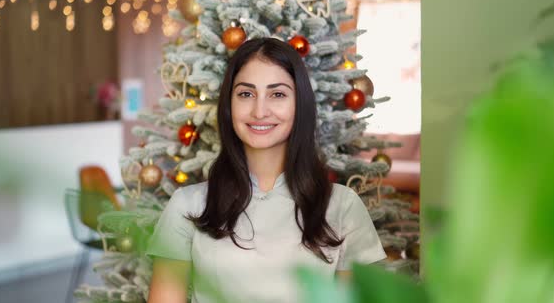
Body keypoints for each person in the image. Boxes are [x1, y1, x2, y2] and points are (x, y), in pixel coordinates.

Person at [146, 37, 386, 303]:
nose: (260, 111)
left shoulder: (343, 207)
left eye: (278, 94)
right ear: (229, 104)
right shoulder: (187, 206)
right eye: (246, 94)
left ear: (300, 105)